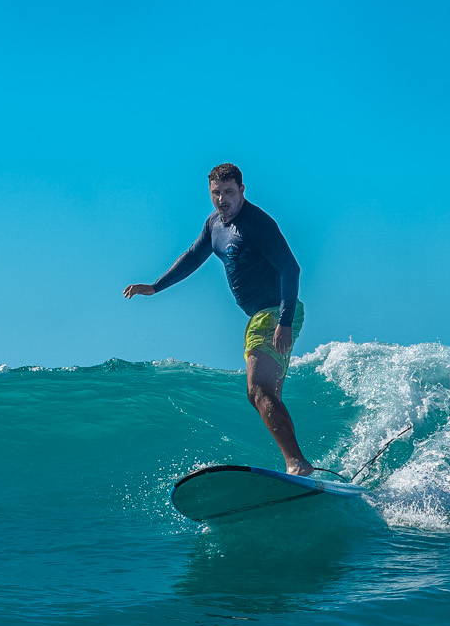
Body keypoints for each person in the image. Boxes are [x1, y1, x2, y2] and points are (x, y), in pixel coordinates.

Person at [123, 163, 312, 474]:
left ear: (241, 190)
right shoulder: (214, 226)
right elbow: (193, 257)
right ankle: (298, 464)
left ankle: (297, 463)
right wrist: (156, 287)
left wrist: (285, 322)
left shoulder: (257, 224)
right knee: (263, 395)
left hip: (274, 313)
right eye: (216, 193)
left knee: (257, 390)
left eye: (228, 192)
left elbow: (291, 270)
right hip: (260, 317)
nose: (222, 199)